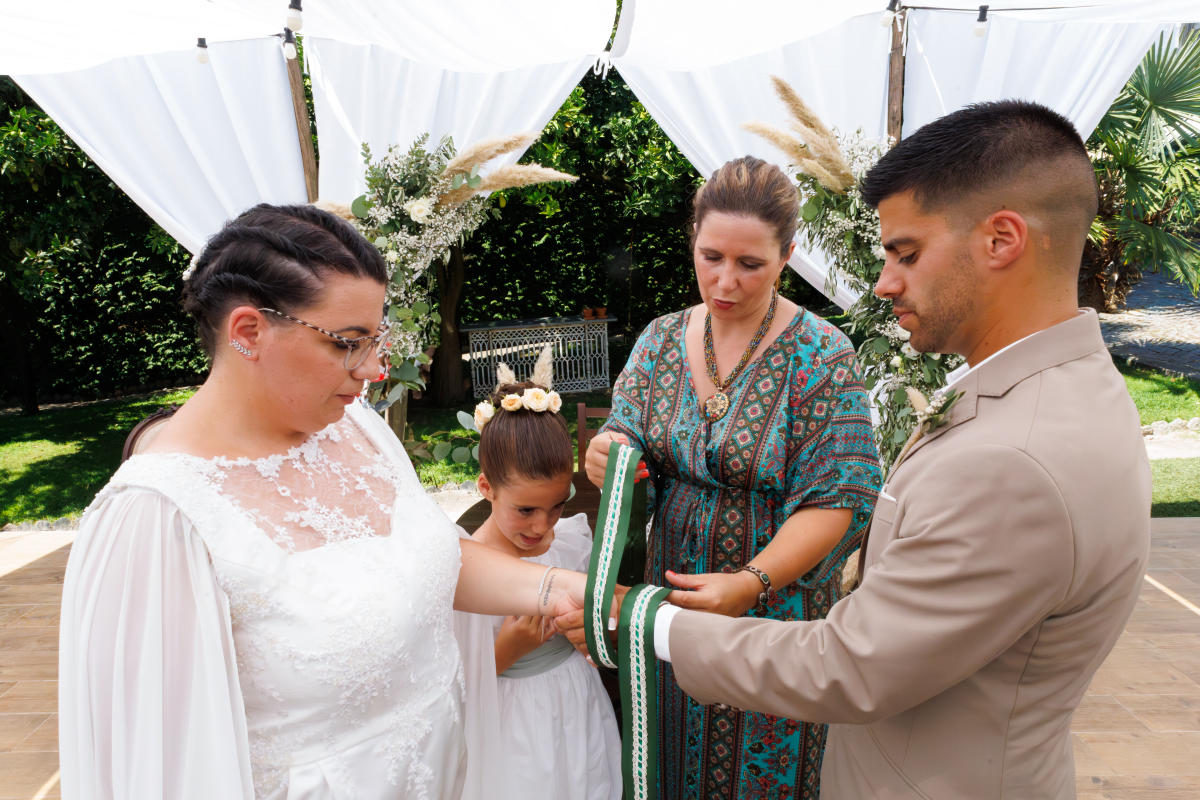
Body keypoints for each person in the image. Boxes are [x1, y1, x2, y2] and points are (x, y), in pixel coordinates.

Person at [647, 101, 1152, 798]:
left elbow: (851, 667)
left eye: (906, 254)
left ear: (1002, 239)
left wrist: (643, 620)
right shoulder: (1065, 390)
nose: (884, 283)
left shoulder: (1012, 462)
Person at [57, 203, 588, 800]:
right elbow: (159, 766)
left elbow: (424, 557)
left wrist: (563, 589)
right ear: (249, 333)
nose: (374, 369)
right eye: (349, 343)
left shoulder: (357, 427)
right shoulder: (156, 516)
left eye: (375, 341)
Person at [576, 156, 883, 799]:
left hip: (773, 613)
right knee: (668, 762)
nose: (725, 280)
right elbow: (628, 434)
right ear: (693, 239)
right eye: (711, 256)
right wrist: (608, 453)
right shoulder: (659, 340)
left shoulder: (821, 355)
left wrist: (750, 583)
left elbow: (840, 498)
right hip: (671, 606)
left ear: (787, 256)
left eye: (750, 264)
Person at [457, 376, 621, 800]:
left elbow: (604, 622)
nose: (541, 525)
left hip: (576, 705)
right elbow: (450, 682)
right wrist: (507, 650)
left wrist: (592, 635)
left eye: (556, 506)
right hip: (511, 725)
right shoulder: (466, 570)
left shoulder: (569, 544)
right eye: (525, 509)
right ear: (486, 487)